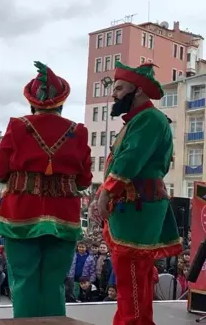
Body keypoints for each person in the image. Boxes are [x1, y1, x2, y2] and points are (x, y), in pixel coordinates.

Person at [0, 62, 92, 318]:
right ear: (62, 102)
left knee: (24, 280)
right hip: (64, 216)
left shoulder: (17, 127)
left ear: (32, 102)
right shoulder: (77, 131)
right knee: (54, 282)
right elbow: (84, 180)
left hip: (21, 214)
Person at [96, 61, 181, 325]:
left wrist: (105, 193)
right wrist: (103, 193)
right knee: (135, 277)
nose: (115, 94)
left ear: (139, 90)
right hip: (135, 207)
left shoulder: (148, 119)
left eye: (120, 88)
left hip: (138, 208)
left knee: (131, 276)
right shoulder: (139, 120)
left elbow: (129, 160)